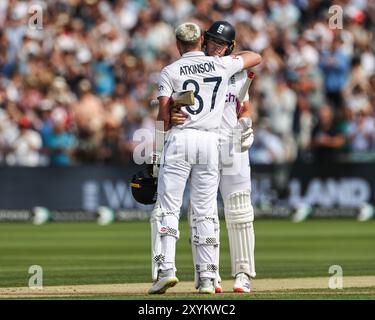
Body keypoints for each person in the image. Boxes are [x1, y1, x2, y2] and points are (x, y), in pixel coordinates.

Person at [148, 22, 261, 294]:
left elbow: (243, 104)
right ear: (202, 41)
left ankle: (243, 273)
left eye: (221, 44)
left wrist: (246, 122)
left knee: (238, 209)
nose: (215, 46)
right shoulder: (218, 66)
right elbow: (171, 108)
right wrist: (173, 114)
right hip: (207, 141)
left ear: (231, 47)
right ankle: (207, 276)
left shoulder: (234, 69)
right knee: (204, 210)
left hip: (228, 143)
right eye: (211, 41)